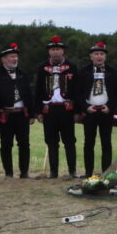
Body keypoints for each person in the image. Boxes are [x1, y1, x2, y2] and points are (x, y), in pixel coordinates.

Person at [34, 36, 79, 179]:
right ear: (49, 52)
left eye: (58, 49)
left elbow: (78, 90)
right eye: (53, 50)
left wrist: (77, 111)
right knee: (51, 141)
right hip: (49, 109)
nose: (55, 52)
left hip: (67, 109)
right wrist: (38, 111)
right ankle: (54, 172)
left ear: (63, 51)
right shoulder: (42, 67)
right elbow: (37, 90)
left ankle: (72, 171)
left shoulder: (72, 67)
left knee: (69, 141)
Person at [0, 43, 34, 179]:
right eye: (11, 57)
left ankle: (24, 172)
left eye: (16, 57)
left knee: (24, 144)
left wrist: (32, 114)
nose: (15, 59)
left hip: (22, 114)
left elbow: (29, 94)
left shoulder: (23, 74)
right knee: (6, 144)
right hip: (5, 115)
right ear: (3, 59)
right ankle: (8, 173)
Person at [75, 41, 117, 177]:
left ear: (105, 57)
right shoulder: (84, 71)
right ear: (91, 56)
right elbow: (78, 93)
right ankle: (88, 173)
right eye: (96, 54)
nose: (99, 56)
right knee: (89, 143)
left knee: (106, 143)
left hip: (106, 112)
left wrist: (110, 107)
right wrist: (86, 107)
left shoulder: (112, 71)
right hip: (90, 112)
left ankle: (106, 173)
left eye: (101, 54)